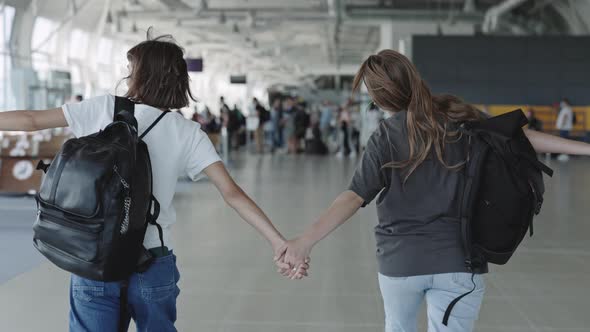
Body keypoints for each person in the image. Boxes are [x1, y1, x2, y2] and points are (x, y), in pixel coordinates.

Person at [0, 32, 301, 332]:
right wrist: (277, 241)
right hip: (152, 260)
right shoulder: (187, 132)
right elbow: (232, 194)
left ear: (144, 75)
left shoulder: (104, 108)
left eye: (132, 70)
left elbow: (30, 120)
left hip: (94, 253)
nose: (128, 76)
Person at [274, 49, 590, 332]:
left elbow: (354, 196)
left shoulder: (386, 135)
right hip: (459, 262)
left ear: (379, 97)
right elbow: (520, 138)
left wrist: (304, 241)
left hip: (400, 265)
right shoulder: (459, 117)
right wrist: (585, 149)